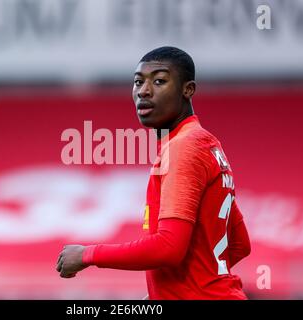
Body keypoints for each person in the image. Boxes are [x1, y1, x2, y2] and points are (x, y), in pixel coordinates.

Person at [56, 46, 251, 300]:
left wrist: (87, 254)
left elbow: (168, 248)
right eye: (138, 82)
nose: (144, 91)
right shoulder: (206, 144)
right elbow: (239, 244)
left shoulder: (184, 147)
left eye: (159, 81)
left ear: (188, 89)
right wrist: (171, 291)